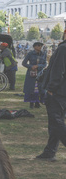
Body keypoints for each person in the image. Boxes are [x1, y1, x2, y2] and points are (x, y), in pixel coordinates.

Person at [35, 33, 66, 162]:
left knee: (56, 122)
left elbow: (58, 71)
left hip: (58, 92)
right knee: (55, 123)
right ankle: (50, 151)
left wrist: (51, 89)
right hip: (62, 91)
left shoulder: (63, 48)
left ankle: (50, 151)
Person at [22, 42, 47, 108]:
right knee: (32, 89)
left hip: (40, 74)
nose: (40, 47)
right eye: (38, 45)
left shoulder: (43, 54)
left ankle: (37, 103)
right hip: (31, 74)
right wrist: (31, 67)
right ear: (34, 47)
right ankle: (31, 103)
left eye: (41, 45)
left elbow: (45, 64)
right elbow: (24, 63)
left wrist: (38, 66)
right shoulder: (30, 54)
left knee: (39, 89)